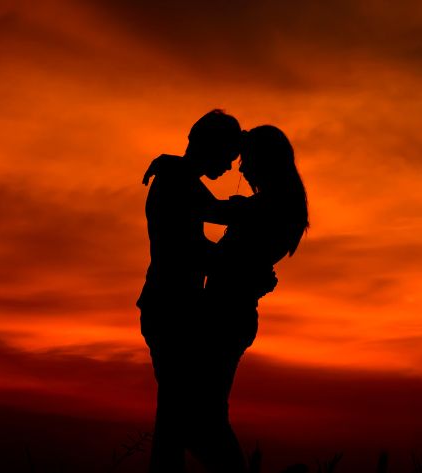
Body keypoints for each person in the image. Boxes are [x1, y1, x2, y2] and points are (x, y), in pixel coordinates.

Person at [184, 125, 310, 473]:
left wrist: (177, 169)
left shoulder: (270, 207)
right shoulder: (279, 205)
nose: (241, 168)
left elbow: (207, 211)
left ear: (265, 161)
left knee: (200, 418)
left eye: (247, 159)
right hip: (230, 315)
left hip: (226, 316)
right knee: (205, 415)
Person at [137, 109, 242, 473]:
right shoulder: (176, 180)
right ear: (209, 146)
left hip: (169, 307)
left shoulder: (178, 176)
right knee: (177, 415)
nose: (229, 167)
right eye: (227, 156)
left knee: (174, 414)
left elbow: (203, 227)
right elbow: (194, 244)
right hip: (170, 309)